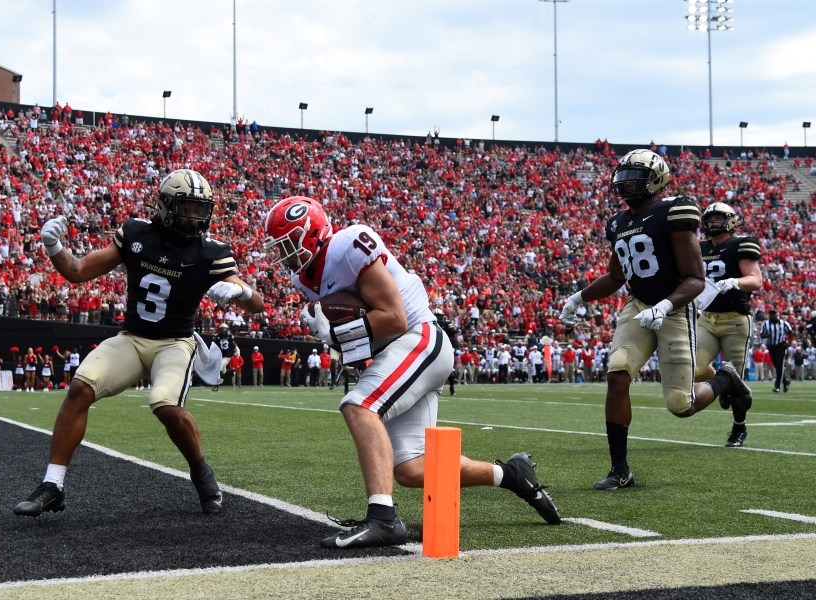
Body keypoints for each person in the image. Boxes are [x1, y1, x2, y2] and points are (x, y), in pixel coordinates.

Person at [264, 196, 560, 549]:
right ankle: (511, 475)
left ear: (311, 233)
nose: (283, 255)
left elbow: (394, 317)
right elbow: (359, 339)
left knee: (359, 406)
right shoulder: (307, 279)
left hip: (419, 337)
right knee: (413, 469)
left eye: (287, 244)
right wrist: (335, 337)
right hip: (395, 350)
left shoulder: (348, 244)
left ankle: (383, 520)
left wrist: (336, 332)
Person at [14, 168, 264, 518]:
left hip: (175, 343)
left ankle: (201, 473)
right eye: (187, 207)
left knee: (164, 403)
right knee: (80, 388)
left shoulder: (211, 252)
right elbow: (78, 271)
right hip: (132, 338)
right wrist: (54, 247)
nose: (195, 217)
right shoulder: (135, 234)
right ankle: (52, 484)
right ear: (165, 205)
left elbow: (258, 305)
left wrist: (242, 291)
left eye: (200, 208)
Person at [559, 150, 753, 491]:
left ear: (655, 179)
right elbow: (616, 276)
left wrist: (664, 307)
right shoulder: (618, 223)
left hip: (675, 309)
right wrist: (578, 298)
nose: (625, 182)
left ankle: (725, 378)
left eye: (634, 175)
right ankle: (621, 470)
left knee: (681, 404)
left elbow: (695, 278)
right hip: (638, 305)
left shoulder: (672, 212)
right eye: (624, 175)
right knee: (617, 372)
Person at [694, 202, 764, 447]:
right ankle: (723, 383)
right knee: (697, 367)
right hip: (707, 318)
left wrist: (735, 282)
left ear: (731, 220)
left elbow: (755, 280)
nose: (712, 222)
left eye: (718, 218)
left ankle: (738, 428)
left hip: (735, 319)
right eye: (709, 218)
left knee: (737, 382)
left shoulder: (740, 244)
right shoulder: (700, 247)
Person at [760, 309, 793, 393]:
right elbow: (761, 334)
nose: (771, 317)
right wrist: (768, 335)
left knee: (779, 365)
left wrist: (789, 342)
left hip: (781, 346)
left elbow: (790, 332)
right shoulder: (766, 324)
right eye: (770, 316)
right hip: (771, 346)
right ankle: (786, 382)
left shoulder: (783, 323)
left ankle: (777, 386)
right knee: (777, 366)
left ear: (776, 315)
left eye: (772, 316)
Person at [213, 323, 234, 391]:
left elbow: (233, 342)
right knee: (223, 371)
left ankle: (216, 385)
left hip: (227, 356)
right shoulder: (217, 337)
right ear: (220, 329)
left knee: (219, 369)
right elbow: (214, 345)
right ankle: (231, 371)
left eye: (225, 329)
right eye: (223, 328)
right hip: (220, 356)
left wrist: (236, 348)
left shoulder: (229, 336)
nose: (224, 330)